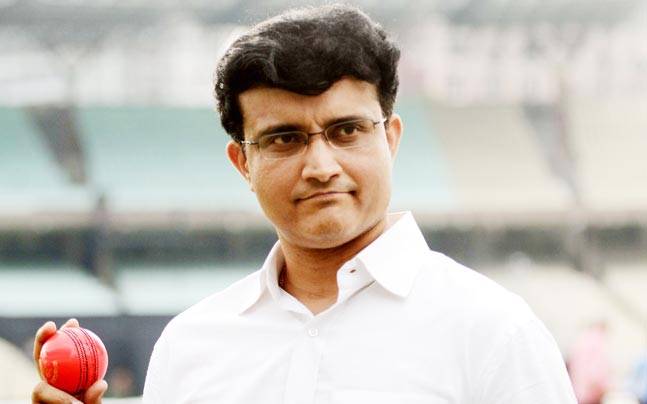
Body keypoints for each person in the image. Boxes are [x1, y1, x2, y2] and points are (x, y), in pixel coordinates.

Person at [31, 4, 577, 403]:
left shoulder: (492, 331)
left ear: (390, 139)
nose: (320, 166)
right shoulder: (191, 344)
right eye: (284, 138)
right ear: (242, 163)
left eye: (346, 130)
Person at [567, 322, 611, 404]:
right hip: (590, 392)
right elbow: (597, 370)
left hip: (575, 389)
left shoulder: (581, 340)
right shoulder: (598, 343)